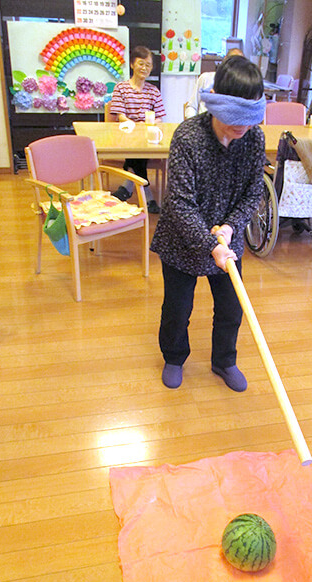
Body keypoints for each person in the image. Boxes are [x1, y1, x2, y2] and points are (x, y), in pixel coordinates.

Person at [151, 56, 266, 391]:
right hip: (183, 239)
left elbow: (253, 192)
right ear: (215, 101)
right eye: (235, 119)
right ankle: (174, 357)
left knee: (232, 307)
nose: (242, 127)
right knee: (177, 307)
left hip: (227, 242)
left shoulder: (254, 140)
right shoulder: (188, 137)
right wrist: (209, 244)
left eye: (248, 120)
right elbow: (180, 202)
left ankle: (224, 361)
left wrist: (229, 229)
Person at [110, 45, 166, 214]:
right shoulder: (121, 88)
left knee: (138, 154)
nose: (145, 68)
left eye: (148, 65)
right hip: (126, 134)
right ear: (133, 64)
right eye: (141, 63)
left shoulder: (153, 91)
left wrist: (149, 125)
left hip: (147, 136)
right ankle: (147, 196)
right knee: (136, 153)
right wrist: (136, 126)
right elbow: (120, 116)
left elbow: (160, 117)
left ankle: (127, 187)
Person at [184, 48, 244, 119]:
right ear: (225, 60)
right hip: (202, 125)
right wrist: (194, 123)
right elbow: (191, 107)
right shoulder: (206, 78)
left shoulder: (242, 85)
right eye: (233, 61)